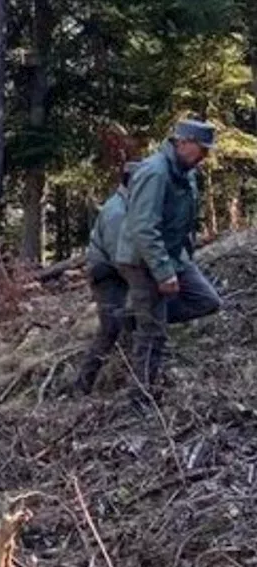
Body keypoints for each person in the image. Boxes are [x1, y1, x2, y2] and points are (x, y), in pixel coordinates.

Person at [114, 118, 224, 405]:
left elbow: (183, 221)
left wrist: (180, 261)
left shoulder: (184, 172)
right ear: (183, 142)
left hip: (172, 255)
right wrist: (164, 273)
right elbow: (143, 228)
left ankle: (135, 318)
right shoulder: (155, 173)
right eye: (201, 149)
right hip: (141, 259)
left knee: (207, 300)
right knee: (153, 333)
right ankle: (140, 399)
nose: (204, 157)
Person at [72, 161, 140, 395]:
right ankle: (83, 385)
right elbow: (119, 256)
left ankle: (133, 372)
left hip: (119, 271)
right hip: (108, 275)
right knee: (111, 328)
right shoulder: (117, 213)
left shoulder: (131, 205)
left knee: (132, 319)